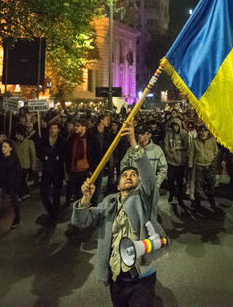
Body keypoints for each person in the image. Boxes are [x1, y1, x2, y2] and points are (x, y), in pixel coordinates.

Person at [71, 121, 166, 307]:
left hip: (141, 275)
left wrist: (133, 142)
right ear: (118, 185)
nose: (129, 176)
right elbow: (82, 221)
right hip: (116, 277)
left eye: (133, 174)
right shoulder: (109, 202)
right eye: (124, 175)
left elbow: (148, 177)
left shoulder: (144, 198)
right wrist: (85, 200)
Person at [37, 123, 68, 226]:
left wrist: (59, 158)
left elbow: (65, 154)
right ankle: (51, 211)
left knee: (56, 194)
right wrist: (44, 158)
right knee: (43, 193)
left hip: (57, 171)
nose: (53, 130)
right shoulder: (44, 140)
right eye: (51, 128)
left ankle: (54, 216)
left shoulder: (62, 141)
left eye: (55, 128)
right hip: (47, 170)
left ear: (58, 129)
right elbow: (39, 151)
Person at [0, 140, 21, 234]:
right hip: (1, 184)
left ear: (10, 148)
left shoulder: (14, 158)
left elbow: (18, 172)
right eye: (2, 146)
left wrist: (18, 185)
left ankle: (17, 218)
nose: (3, 148)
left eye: (5, 146)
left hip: (12, 185)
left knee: (15, 203)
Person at [188, 124, 218, 209]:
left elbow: (216, 152)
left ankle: (210, 197)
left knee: (211, 182)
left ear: (208, 132)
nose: (203, 133)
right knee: (198, 184)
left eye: (205, 131)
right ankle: (197, 202)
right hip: (199, 165)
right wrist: (190, 164)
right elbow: (192, 153)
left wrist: (214, 163)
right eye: (201, 131)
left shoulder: (212, 140)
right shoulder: (195, 141)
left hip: (209, 165)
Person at [67, 119, 94, 203]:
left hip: (85, 172)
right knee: (75, 195)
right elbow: (68, 155)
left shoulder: (91, 139)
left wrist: (92, 170)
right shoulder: (72, 139)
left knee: (83, 195)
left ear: (84, 127)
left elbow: (96, 156)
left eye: (78, 126)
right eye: (75, 126)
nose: (75, 128)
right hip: (74, 172)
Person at [163, 118, 188, 204]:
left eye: (177, 126)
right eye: (174, 126)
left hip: (180, 161)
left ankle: (180, 196)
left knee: (179, 180)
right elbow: (165, 144)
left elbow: (186, 146)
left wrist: (177, 148)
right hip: (171, 161)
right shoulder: (169, 133)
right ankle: (171, 194)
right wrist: (168, 153)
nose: (175, 128)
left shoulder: (184, 134)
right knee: (170, 179)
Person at [136, 125, 167, 189]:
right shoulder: (132, 149)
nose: (139, 135)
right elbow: (124, 164)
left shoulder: (157, 150)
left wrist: (156, 184)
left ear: (149, 135)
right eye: (138, 133)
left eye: (142, 134)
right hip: (134, 187)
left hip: (150, 187)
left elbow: (163, 169)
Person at [14, 127, 37, 201]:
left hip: (26, 165)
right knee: (21, 180)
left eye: (17, 134)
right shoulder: (16, 143)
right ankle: (26, 193)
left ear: (21, 135)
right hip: (18, 165)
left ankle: (21, 194)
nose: (16, 136)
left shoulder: (30, 142)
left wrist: (33, 166)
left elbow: (33, 155)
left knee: (21, 179)